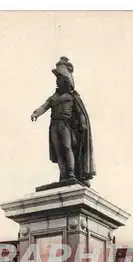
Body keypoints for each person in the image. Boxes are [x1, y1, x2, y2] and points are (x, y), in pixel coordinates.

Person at [31, 57, 95, 186]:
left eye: (59, 79)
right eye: (56, 79)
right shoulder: (53, 98)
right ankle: (64, 173)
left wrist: (82, 124)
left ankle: (71, 172)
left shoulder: (72, 97)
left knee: (67, 147)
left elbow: (80, 113)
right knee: (59, 150)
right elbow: (44, 106)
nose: (57, 81)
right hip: (54, 125)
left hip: (66, 125)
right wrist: (35, 113)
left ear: (65, 80)